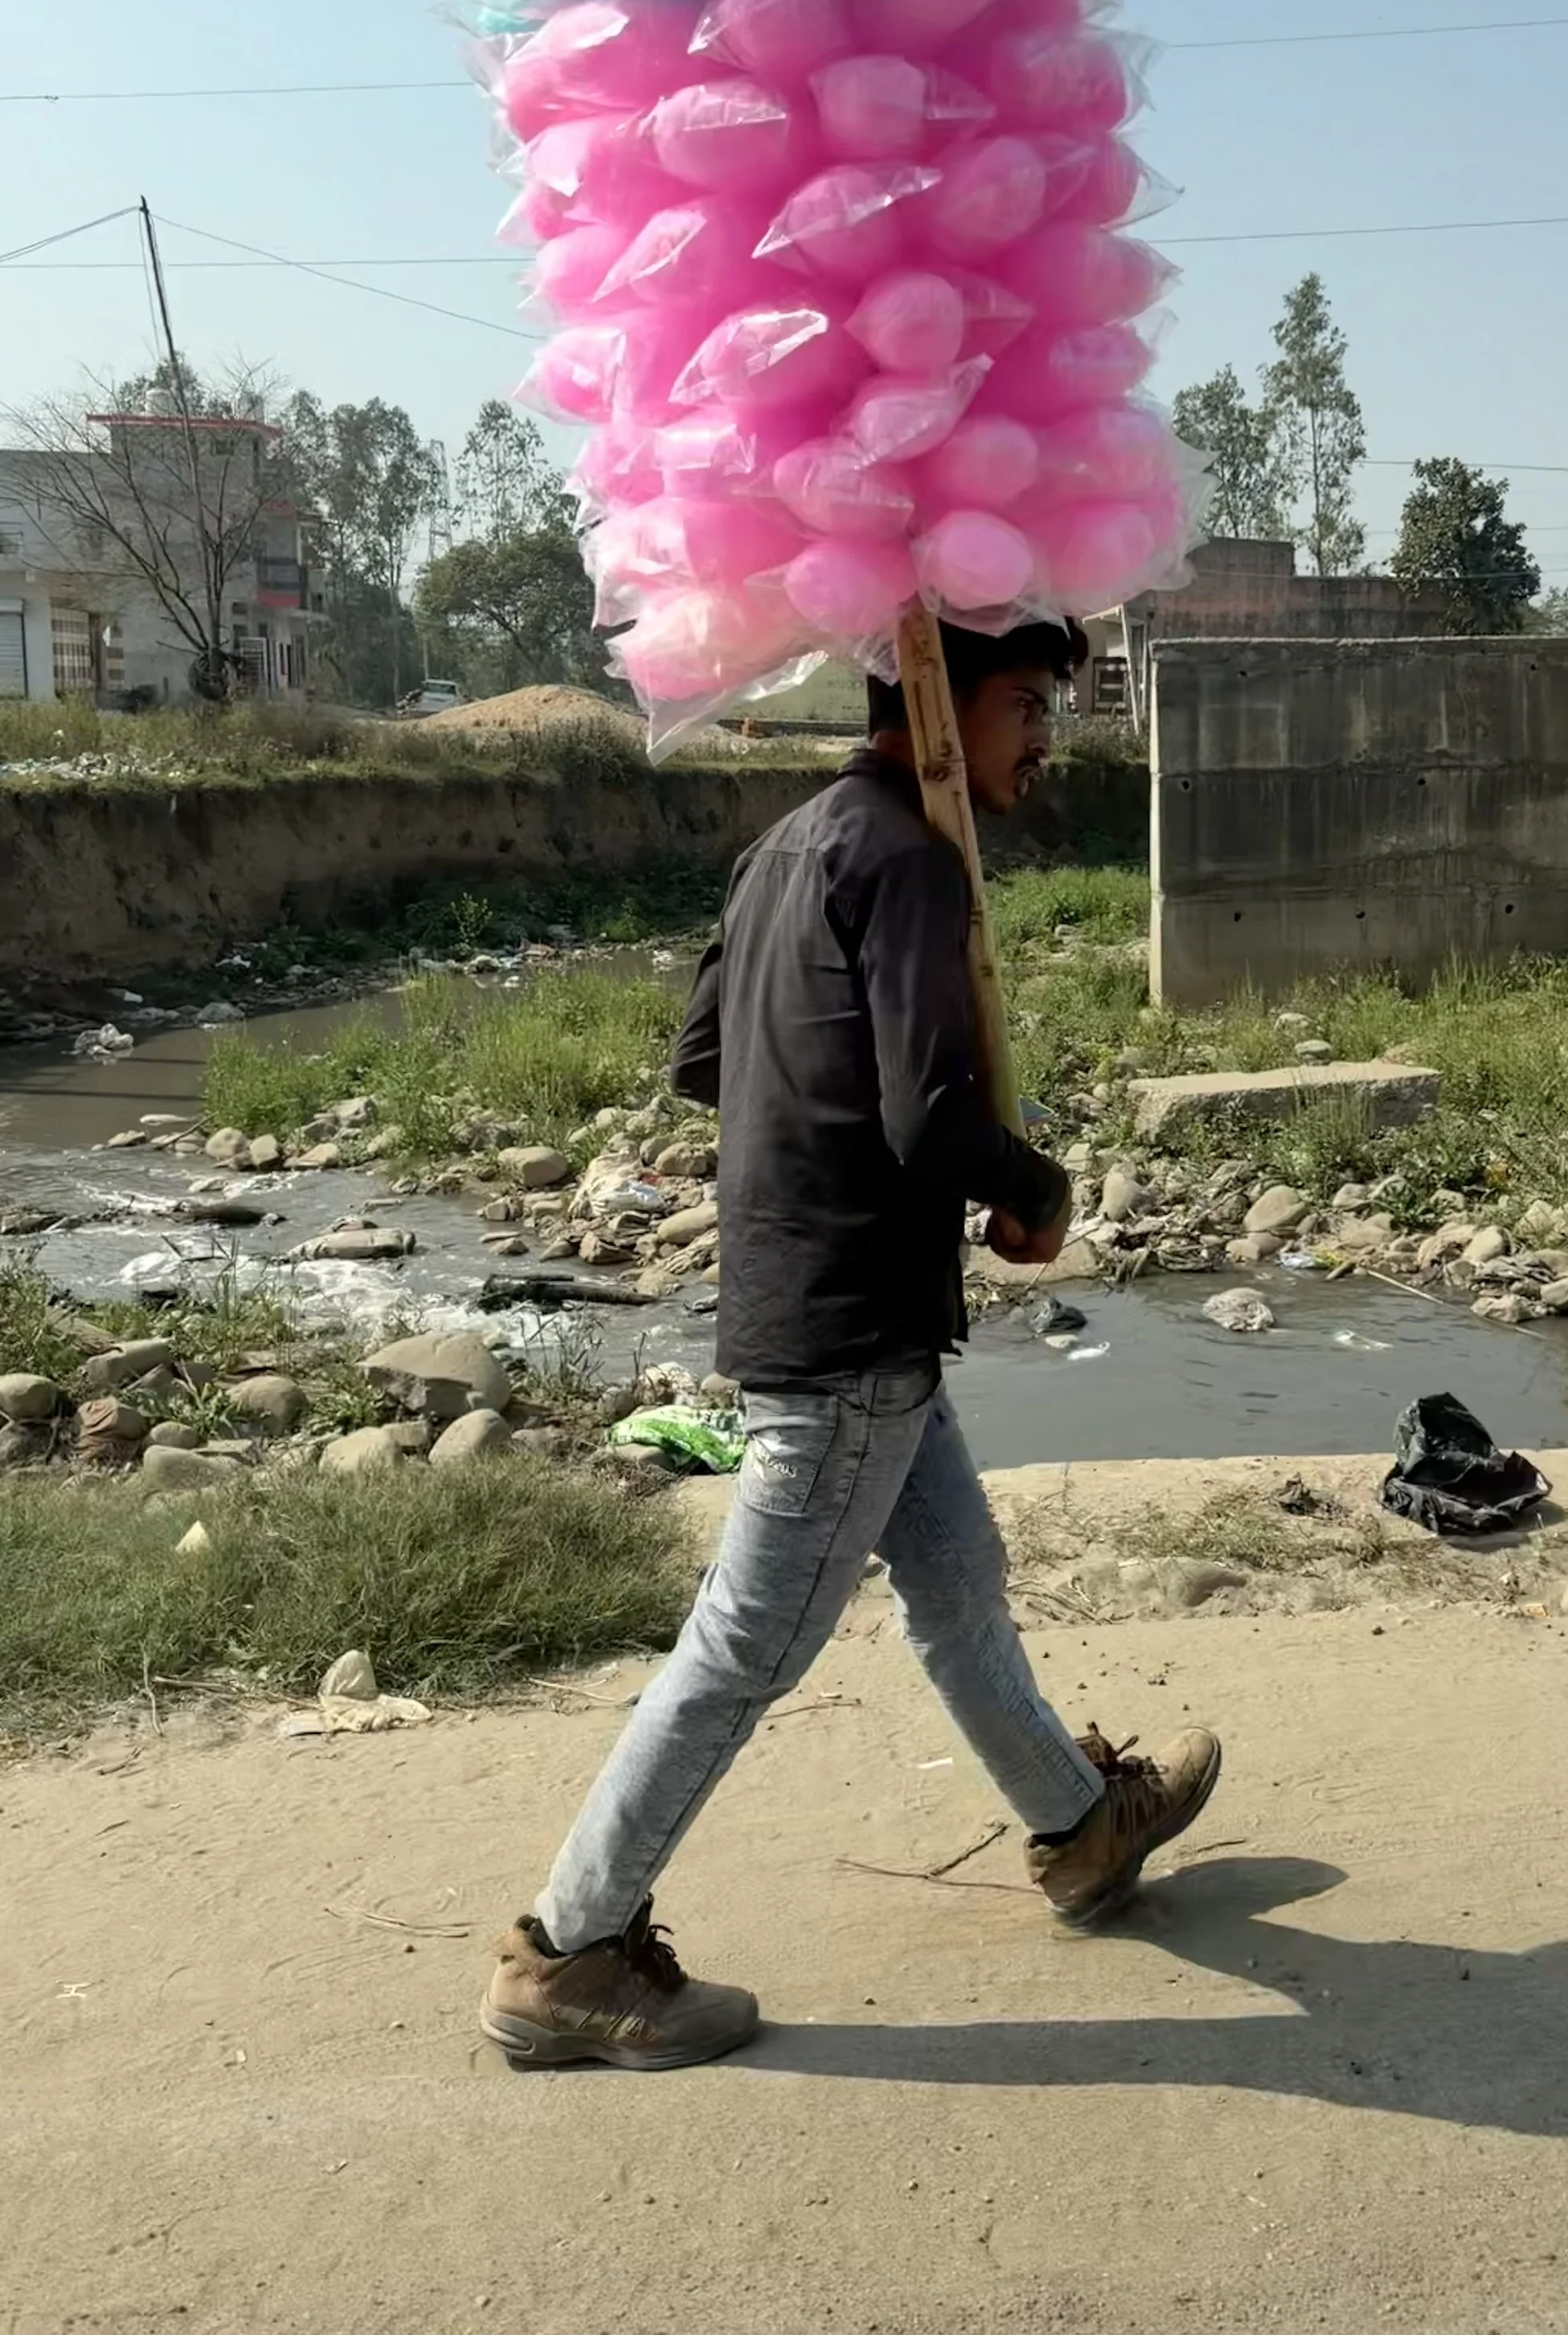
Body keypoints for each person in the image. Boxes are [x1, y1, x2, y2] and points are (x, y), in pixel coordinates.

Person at [482, 618, 1222, 2071]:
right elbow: (924, 1120)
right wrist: (1038, 1183)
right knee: (742, 1648)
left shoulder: (791, 845)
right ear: (940, 704)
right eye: (1026, 705)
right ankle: (568, 1952)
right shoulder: (909, 858)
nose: (1042, 737)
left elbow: (704, 1056)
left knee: (957, 1581)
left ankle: (1081, 1831)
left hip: (819, 1301)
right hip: (848, 1327)